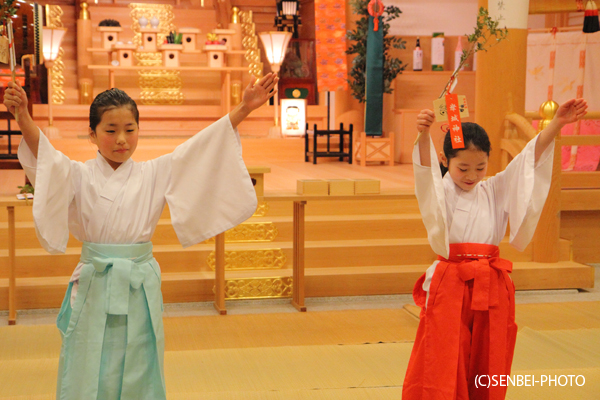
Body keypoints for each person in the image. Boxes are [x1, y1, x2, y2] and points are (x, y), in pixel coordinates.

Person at [2, 73, 278, 400]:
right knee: (88, 360)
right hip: (95, 282)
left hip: (138, 284)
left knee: (139, 360)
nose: (122, 139)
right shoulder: (79, 175)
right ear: (92, 135)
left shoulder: (155, 172)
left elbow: (201, 147)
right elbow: (46, 156)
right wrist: (23, 118)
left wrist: (244, 108)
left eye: (130, 130)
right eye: (110, 130)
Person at [402, 99, 588, 400]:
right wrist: (423, 133)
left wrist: (556, 124)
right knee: (444, 352)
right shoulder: (443, 190)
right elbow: (426, 175)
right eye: (462, 167)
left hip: (492, 281)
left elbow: (528, 160)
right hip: (451, 281)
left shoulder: (494, 188)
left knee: (491, 354)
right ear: (445, 160)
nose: (472, 175)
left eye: (480, 166)